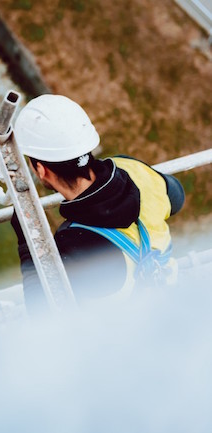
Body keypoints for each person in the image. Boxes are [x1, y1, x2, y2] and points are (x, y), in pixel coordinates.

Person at [11, 94, 185, 315]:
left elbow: (42, 313)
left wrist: (27, 242)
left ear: (41, 170)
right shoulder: (130, 168)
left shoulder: (76, 244)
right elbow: (176, 198)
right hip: (171, 300)